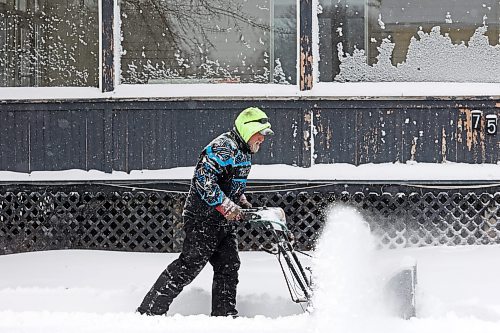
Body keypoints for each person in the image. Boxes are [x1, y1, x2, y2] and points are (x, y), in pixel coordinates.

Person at [137, 107, 274, 317]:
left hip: (222, 220)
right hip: (202, 217)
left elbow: (229, 181)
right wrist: (226, 206)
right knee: (190, 264)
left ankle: (224, 315)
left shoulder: (245, 151)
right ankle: (149, 311)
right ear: (248, 130)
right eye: (260, 134)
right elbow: (204, 181)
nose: (262, 139)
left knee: (229, 265)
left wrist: (241, 201)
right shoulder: (222, 148)